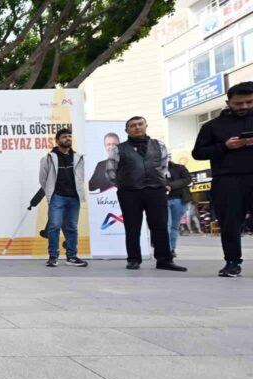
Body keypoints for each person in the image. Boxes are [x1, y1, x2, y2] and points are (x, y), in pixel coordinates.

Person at [106, 116, 187, 272]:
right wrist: (125, 184)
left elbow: (163, 168)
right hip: (129, 192)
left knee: (160, 226)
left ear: (146, 125)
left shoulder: (159, 145)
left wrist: (157, 182)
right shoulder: (118, 149)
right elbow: (110, 172)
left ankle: (164, 260)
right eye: (132, 125)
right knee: (132, 227)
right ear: (126, 130)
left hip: (155, 190)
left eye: (140, 124)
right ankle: (133, 259)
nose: (137, 127)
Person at [192, 81, 253, 278]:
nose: (244, 107)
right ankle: (232, 262)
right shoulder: (212, 126)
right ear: (228, 103)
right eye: (238, 103)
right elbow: (198, 153)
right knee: (230, 223)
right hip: (227, 180)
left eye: (249, 102)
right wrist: (225, 146)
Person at [38, 128, 88, 267]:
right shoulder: (48, 158)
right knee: (54, 226)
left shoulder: (78, 157)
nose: (68, 139)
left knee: (72, 227)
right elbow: (43, 179)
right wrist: (51, 192)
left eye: (70, 136)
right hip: (57, 197)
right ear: (57, 140)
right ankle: (53, 256)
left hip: (74, 197)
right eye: (64, 137)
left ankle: (72, 256)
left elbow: (80, 177)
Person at [166, 159, 192, 258]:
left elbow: (187, 179)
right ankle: (166, 249)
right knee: (166, 225)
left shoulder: (179, 167)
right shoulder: (154, 169)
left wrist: (170, 186)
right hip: (162, 200)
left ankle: (172, 248)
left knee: (174, 226)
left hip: (179, 200)